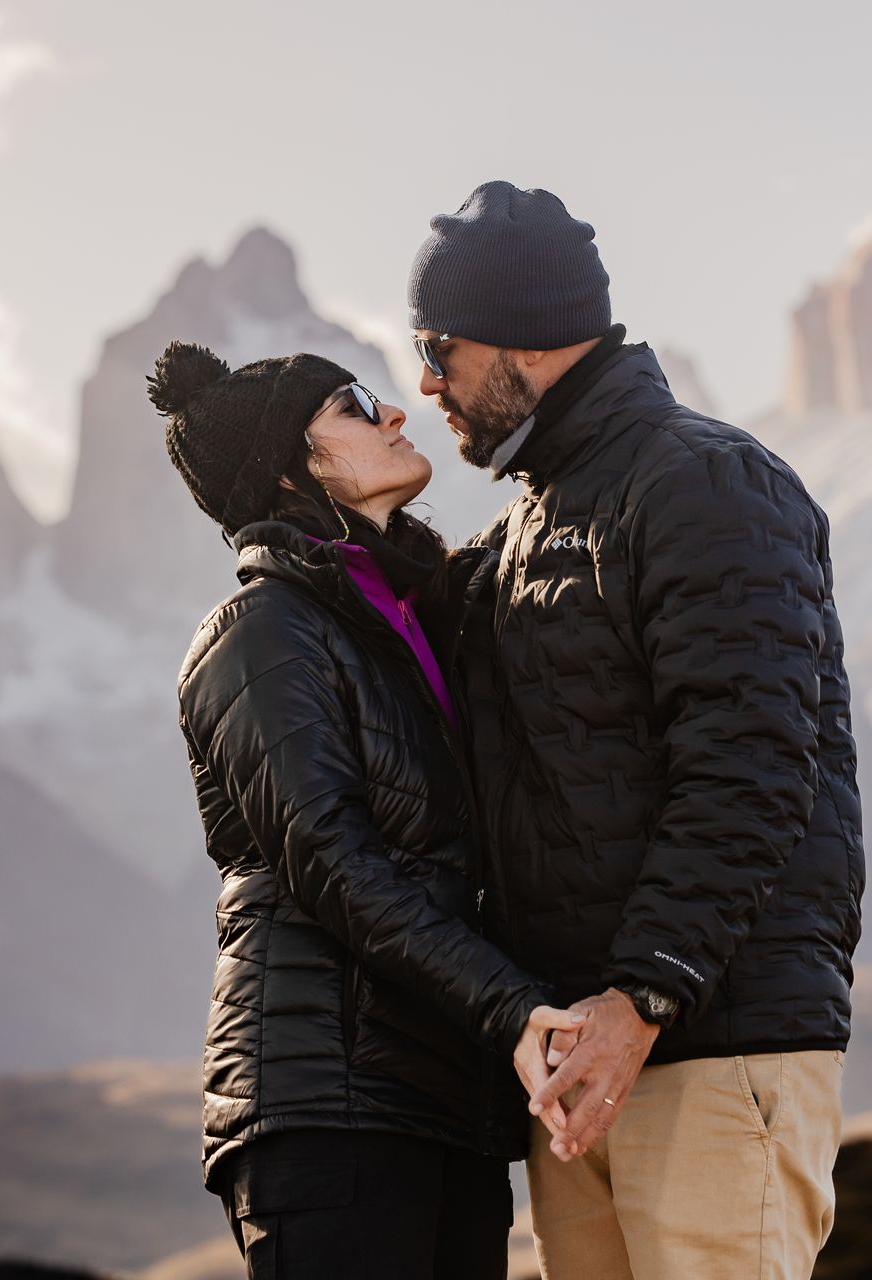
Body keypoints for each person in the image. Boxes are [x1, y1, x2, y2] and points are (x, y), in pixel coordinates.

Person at [407, 181, 866, 1279]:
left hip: (709, 1045)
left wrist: (644, 994)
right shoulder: (526, 523)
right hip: (592, 1062)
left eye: (440, 347)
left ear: (520, 336)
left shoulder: (707, 481)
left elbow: (753, 763)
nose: (428, 384)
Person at [150, 339, 584, 1280]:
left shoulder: (413, 615)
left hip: (447, 1103)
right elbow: (335, 864)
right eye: (351, 405)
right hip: (328, 1112)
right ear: (288, 468)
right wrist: (514, 1008)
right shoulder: (261, 633)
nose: (394, 413)